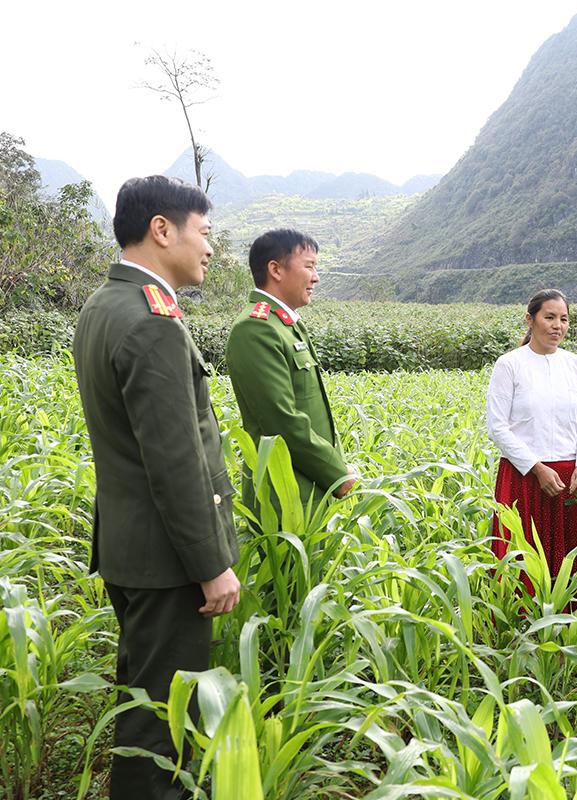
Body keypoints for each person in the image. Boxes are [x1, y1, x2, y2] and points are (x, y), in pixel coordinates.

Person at [72, 175, 241, 799]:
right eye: (203, 231)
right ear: (162, 230)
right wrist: (211, 564)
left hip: (130, 548)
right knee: (162, 723)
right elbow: (175, 463)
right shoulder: (152, 321)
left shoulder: (102, 305)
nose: (210, 248)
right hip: (169, 562)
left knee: (142, 697)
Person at [226, 228, 355, 512]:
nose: (316, 277)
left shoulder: (285, 325)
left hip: (308, 488)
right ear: (276, 269)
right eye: (309, 266)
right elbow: (281, 420)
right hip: (283, 497)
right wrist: (336, 473)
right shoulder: (256, 328)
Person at [486, 289, 577, 597]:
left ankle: (574, 631)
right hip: (523, 477)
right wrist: (536, 468)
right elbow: (497, 427)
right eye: (549, 317)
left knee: (570, 560)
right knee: (522, 556)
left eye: (563, 319)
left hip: (569, 480)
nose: (557, 326)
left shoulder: (576, 366)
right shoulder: (509, 365)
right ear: (530, 320)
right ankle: (519, 630)